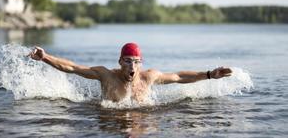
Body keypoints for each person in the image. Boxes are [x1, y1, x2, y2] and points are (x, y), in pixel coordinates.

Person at [28, 43, 232, 104]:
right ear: (120, 62)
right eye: (127, 61)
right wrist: (45, 57)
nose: (131, 67)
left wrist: (209, 74)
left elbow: (179, 77)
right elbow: (72, 67)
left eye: (135, 62)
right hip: (111, 123)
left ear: (141, 64)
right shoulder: (105, 75)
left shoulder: (148, 77)